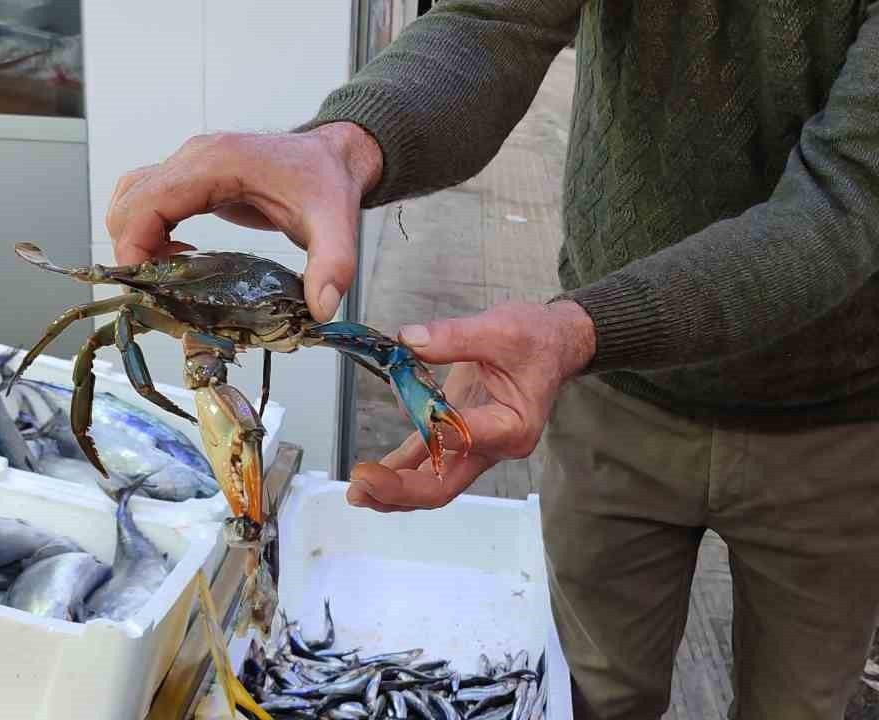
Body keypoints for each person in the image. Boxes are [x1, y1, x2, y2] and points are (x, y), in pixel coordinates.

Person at [104, 2, 879, 719]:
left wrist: (580, 330)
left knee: (803, 706)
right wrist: (342, 146)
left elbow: (853, 193)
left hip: (836, 424)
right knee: (592, 689)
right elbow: (492, 20)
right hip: (612, 394)